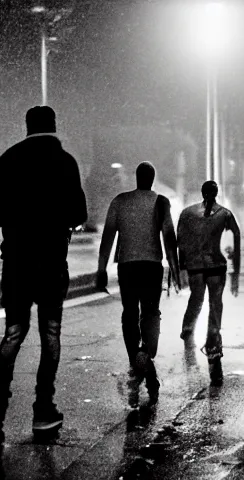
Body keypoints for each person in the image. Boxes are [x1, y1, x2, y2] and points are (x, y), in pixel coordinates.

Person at [0, 106, 87, 447]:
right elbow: (79, 213)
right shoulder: (66, 163)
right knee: (50, 334)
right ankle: (43, 410)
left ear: (27, 128)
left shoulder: (9, 162)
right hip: (52, 261)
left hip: (16, 262)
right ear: (54, 126)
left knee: (13, 333)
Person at [99, 162, 180, 405]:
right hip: (151, 265)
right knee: (151, 312)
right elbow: (168, 235)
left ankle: (136, 360)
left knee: (129, 314)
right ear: (152, 178)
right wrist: (175, 268)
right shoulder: (161, 201)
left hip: (127, 266)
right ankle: (146, 354)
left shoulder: (120, 201)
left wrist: (101, 268)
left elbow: (108, 235)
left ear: (136, 177)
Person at [175, 180, 241, 385]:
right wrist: (235, 272)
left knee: (196, 298)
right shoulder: (225, 214)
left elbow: (181, 242)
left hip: (195, 266)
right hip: (216, 266)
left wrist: (181, 267)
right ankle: (213, 340)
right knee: (215, 303)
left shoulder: (187, 213)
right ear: (217, 193)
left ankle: (188, 327)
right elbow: (235, 239)